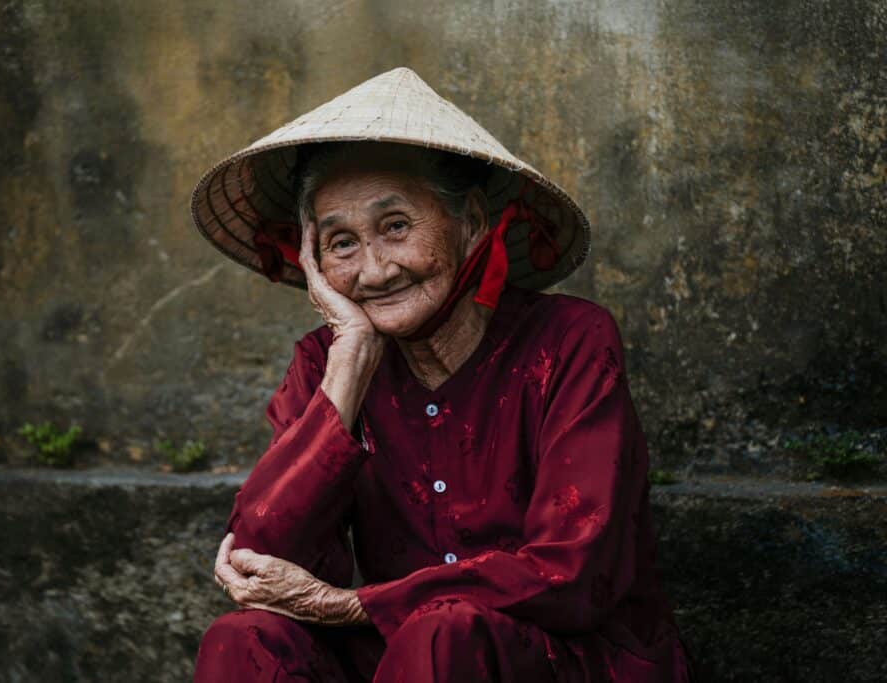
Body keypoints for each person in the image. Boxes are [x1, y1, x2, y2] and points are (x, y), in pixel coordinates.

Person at [188, 67, 699, 682]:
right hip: (399, 655)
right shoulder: (324, 363)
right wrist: (350, 358)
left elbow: (574, 572)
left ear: (473, 221)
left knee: (444, 633)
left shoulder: (570, 342)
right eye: (341, 244)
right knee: (243, 641)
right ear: (313, 261)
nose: (374, 272)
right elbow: (263, 560)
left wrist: (353, 605)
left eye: (396, 226)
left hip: (558, 658)